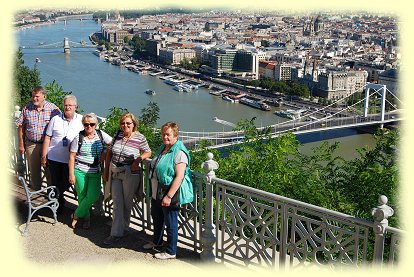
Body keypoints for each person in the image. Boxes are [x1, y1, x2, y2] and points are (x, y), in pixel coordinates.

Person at [143, 122, 193, 260]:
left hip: (169, 193)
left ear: (175, 135)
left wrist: (169, 196)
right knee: (157, 218)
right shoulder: (164, 147)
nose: (165, 137)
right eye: (163, 134)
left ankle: (171, 251)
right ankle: (157, 242)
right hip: (157, 191)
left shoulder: (179, 152)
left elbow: (180, 176)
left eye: (168, 134)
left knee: (171, 222)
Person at [103, 113, 152, 245]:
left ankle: (123, 227)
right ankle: (115, 233)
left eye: (128, 123)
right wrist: (106, 171)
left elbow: (148, 152)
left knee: (126, 202)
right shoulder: (118, 134)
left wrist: (139, 160)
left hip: (130, 172)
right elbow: (109, 153)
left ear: (134, 125)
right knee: (117, 202)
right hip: (115, 172)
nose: (125, 126)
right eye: (123, 123)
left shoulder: (140, 137)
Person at [68, 113, 112, 229]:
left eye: (92, 124)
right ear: (83, 125)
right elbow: (72, 156)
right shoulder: (78, 138)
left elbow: (113, 144)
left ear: (96, 125)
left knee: (93, 195)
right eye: (86, 124)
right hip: (80, 170)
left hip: (95, 171)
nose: (89, 126)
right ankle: (87, 219)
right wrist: (71, 174)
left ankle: (76, 215)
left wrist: (106, 151)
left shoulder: (101, 134)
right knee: (82, 196)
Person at [41, 95, 83, 214]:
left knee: (66, 183)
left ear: (76, 107)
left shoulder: (81, 120)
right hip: (54, 158)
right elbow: (47, 138)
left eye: (70, 105)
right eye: (65, 105)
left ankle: (58, 200)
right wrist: (44, 156)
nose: (67, 107)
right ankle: (57, 208)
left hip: (70, 161)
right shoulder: (56, 119)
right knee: (54, 183)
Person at [17, 86, 61, 190]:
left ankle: (51, 195)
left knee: (49, 171)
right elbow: (20, 126)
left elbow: (60, 125)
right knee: (34, 171)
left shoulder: (53, 109)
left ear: (44, 96)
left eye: (37, 96)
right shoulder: (27, 108)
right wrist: (21, 144)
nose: (34, 98)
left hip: (48, 146)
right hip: (31, 144)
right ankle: (35, 193)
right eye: (33, 96)